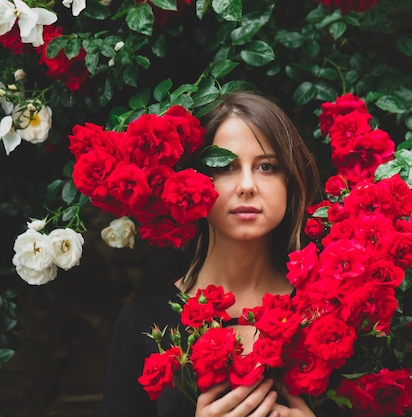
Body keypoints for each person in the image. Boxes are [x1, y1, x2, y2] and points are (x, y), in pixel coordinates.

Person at [101, 91, 320, 417]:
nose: (247, 185)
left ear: (289, 181)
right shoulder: (144, 324)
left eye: (266, 166)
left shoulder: (326, 315)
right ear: (196, 179)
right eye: (227, 166)